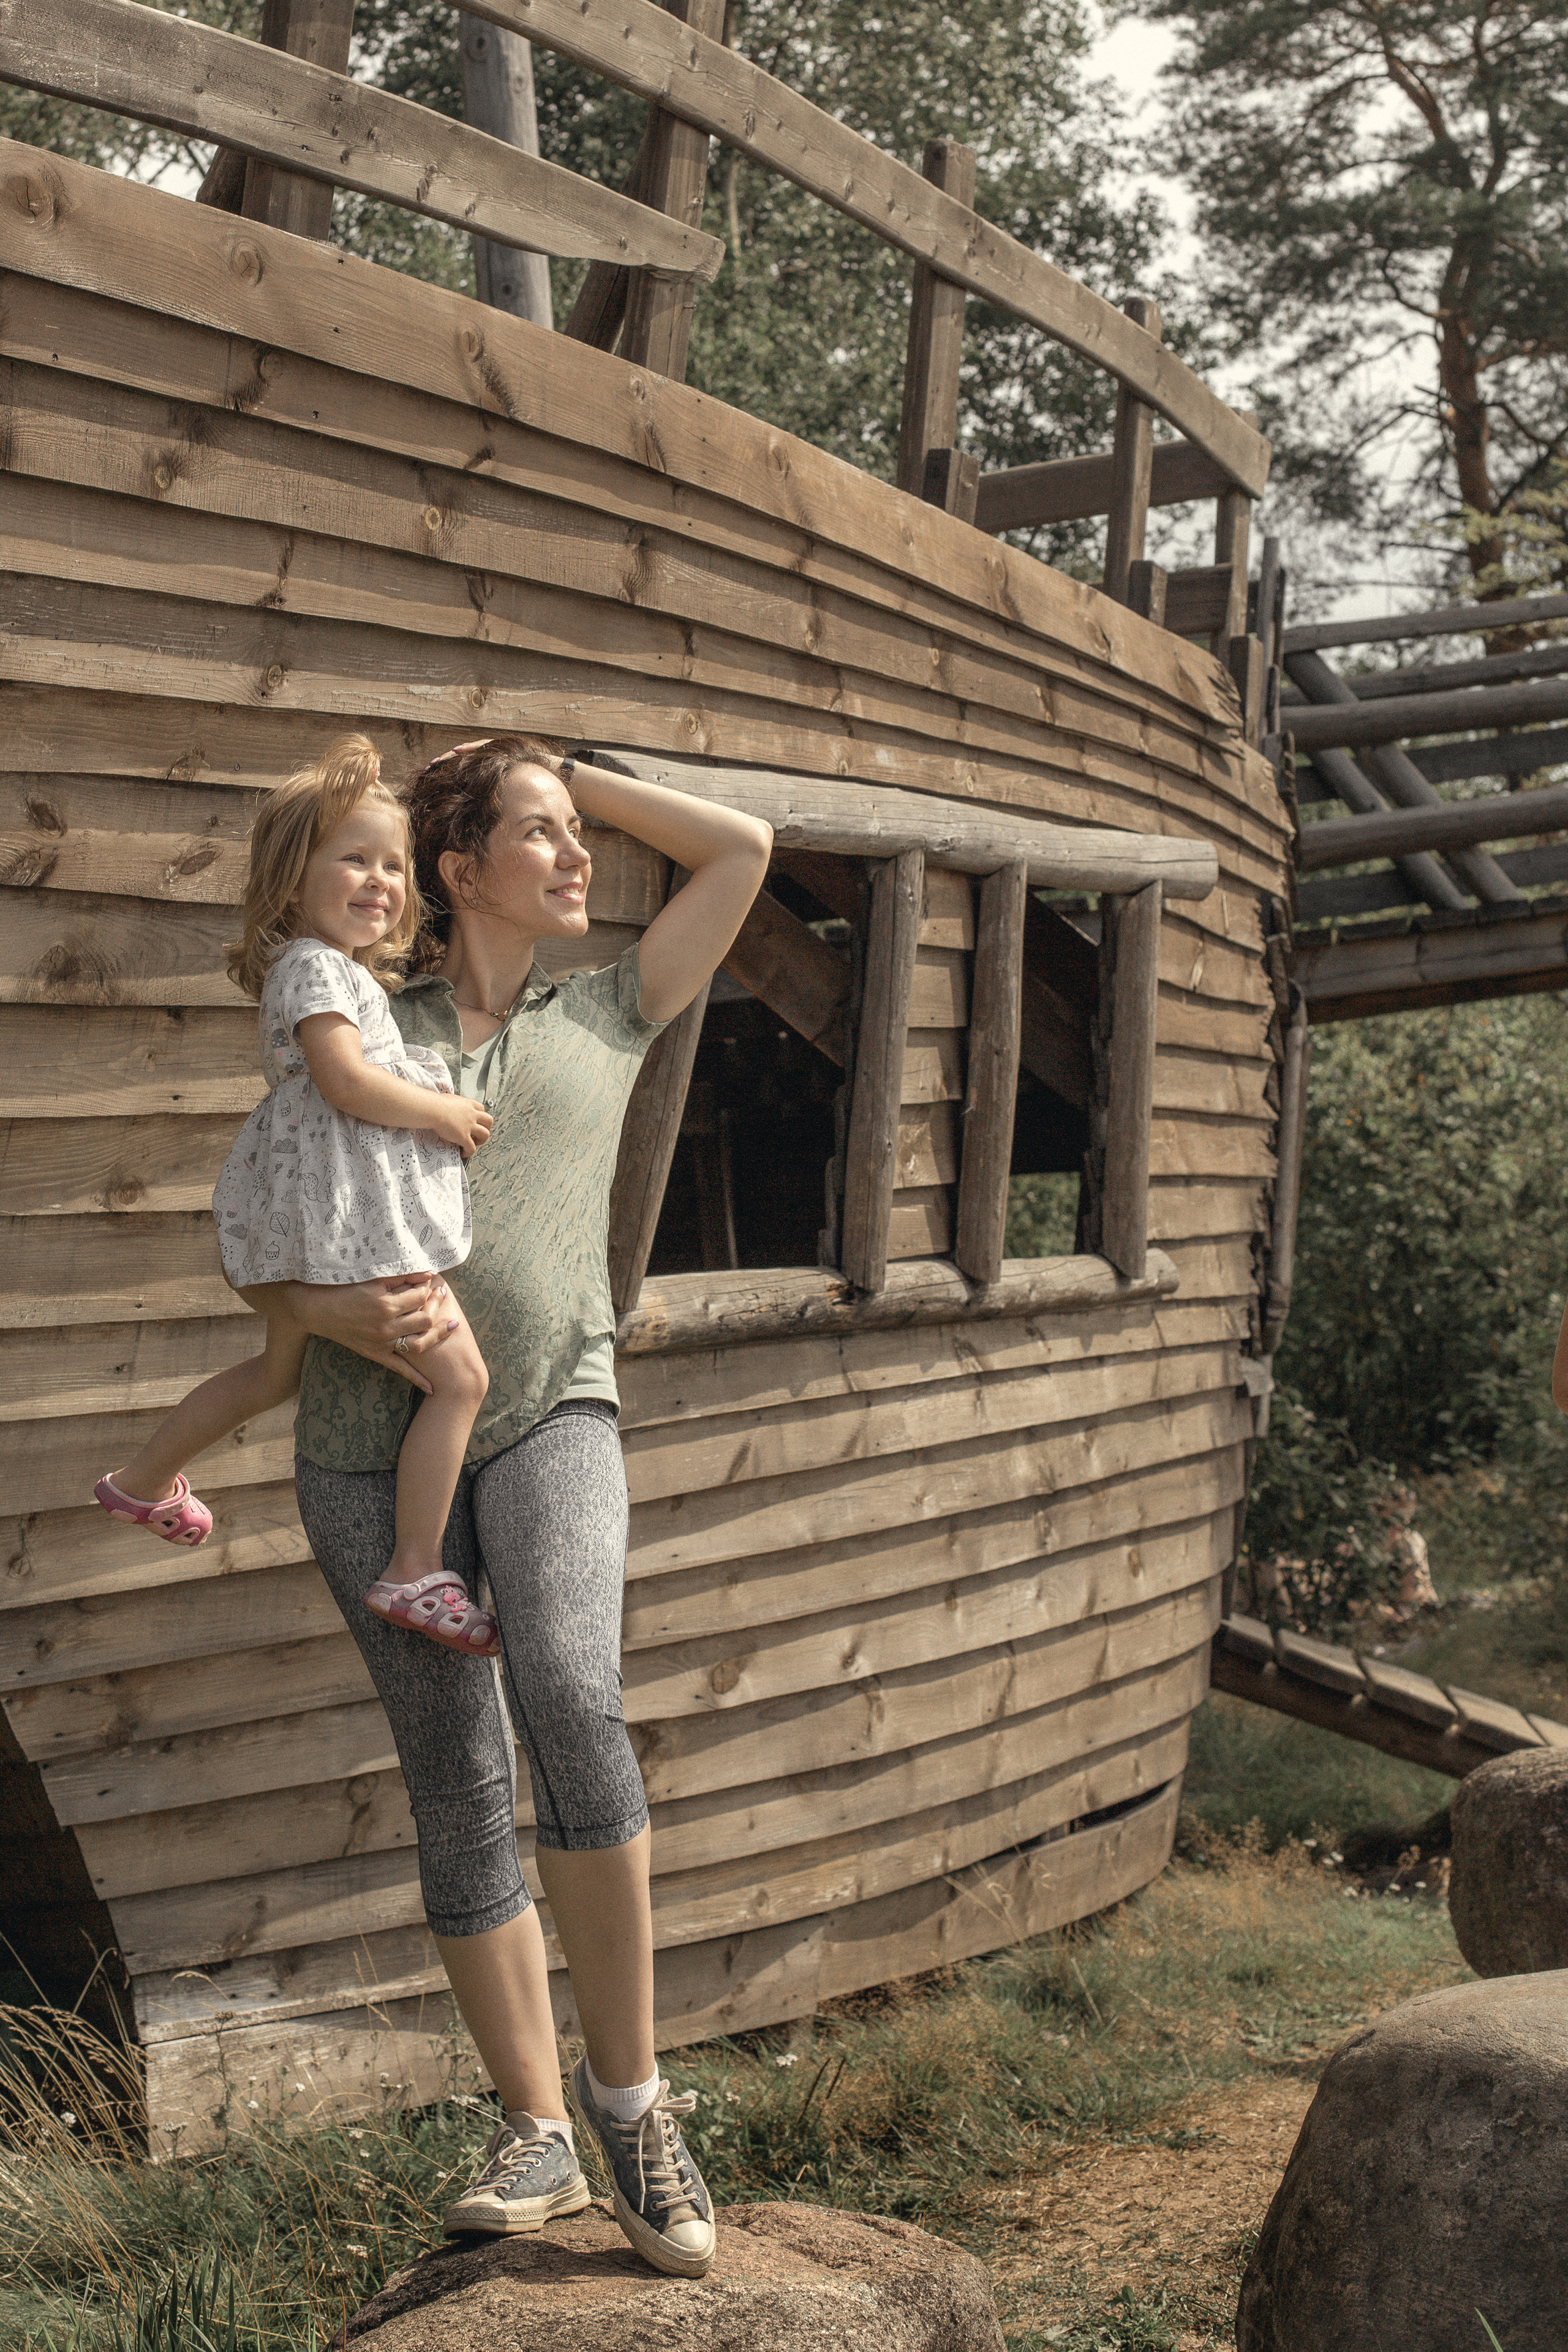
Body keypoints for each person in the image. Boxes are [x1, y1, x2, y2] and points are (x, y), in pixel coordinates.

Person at [239, 734, 772, 2280]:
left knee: (570, 1692)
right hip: (361, 1447)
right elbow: (253, 1230)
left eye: (575, 836)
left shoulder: (612, 1010)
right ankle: (535, 2129)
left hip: (551, 1411)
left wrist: (571, 778)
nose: (577, 860)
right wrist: (328, 1318)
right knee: (456, 1783)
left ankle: (633, 2101)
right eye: (532, 837)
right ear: (457, 870)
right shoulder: (353, 1013)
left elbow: (735, 846)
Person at [92, 737, 500, 1656]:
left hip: (320, 1226)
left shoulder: (334, 970)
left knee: (278, 1373)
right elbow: (347, 1083)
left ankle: (145, 1479)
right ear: (291, 878)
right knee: (462, 1380)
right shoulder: (316, 967)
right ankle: (415, 1565)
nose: (380, 880)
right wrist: (440, 1112)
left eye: (393, 864)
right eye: (353, 857)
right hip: (358, 1230)